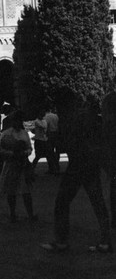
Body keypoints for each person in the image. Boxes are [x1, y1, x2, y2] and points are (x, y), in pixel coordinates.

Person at [42, 98, 112, 253]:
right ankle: (106, 240)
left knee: (62, 202)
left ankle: (61, 240)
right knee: (98, 202)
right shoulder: (91, 119)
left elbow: (67, 143)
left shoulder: (72, 119)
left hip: (77, 166)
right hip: (91, 165)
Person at [0, 111, 37, 223]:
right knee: (11, 191)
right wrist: (12, 153)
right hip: (11, 163)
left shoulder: (24, 133)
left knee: (26, 191)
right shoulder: (6, 134)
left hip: (22, 163)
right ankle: (12, 214)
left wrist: (25, 152)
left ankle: (30, 214)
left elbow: (29, 148)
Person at [101, 77, 116, 229]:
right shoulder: (109, 100)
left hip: (111, 149)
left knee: (114, 185)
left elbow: (105, 126)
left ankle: (114, 219)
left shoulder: (107, 100)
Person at [45, 107, 61, 174]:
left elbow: (46, 126)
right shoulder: (56, 116)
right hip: (56, 133)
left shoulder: (46, 117)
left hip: (50, 134)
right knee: (57, 151)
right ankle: (57, 165)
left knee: (49, 151)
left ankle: (51, 167)